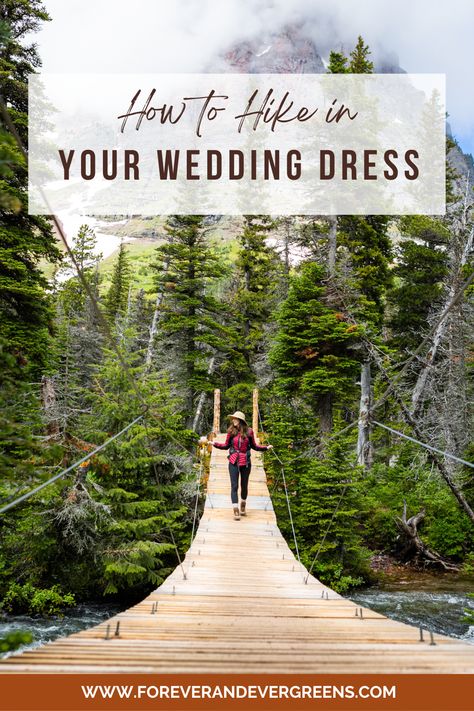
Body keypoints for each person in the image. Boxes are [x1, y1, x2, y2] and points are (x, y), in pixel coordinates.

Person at [211, 410, 272, 521]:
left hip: (246, 462)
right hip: (233, 461)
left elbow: (254, 446)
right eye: (233, 418)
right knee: (234, 486)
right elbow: (225, 446)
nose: (233, 420)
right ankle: (236, 510)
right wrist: (214, 444)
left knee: (244, 485)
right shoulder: (231, 431)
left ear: (240, 420)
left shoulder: (249, 432)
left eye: (235, 418)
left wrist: (265, 448)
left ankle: (243, 503)